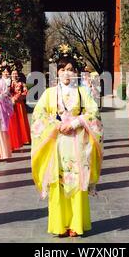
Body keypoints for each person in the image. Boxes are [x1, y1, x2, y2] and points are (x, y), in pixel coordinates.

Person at [31, 44, 103, 237]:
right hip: (57, 144)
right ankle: (59, 224)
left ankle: (76, 224)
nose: (66, 73)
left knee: (77, 180)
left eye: (70, 69)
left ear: (76, 71)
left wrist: (76, 122)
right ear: (57, 72)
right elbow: (39, 115)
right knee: (58, 181)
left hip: (78, 142)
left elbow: (93, 112)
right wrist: (55, 124)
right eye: (62, 69)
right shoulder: (49, 93)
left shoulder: (83, 92)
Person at [11, 67, 31, 145]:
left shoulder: (22, 84)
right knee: (13, 121)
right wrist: (11, 99)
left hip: (19, 104)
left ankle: (24, 138)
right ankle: (15, 139)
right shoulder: (9, 83)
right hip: (11, 104)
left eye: (16, 74)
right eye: (13, 74)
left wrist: (18, 97)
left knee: (21, 120)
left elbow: (26, 92)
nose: (15, 75)